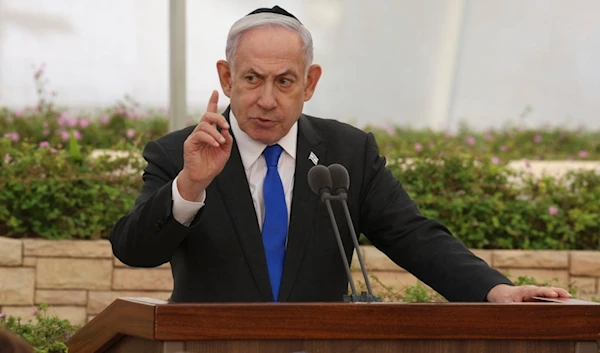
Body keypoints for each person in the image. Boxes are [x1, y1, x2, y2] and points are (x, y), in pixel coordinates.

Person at [110, 5, 571, 303]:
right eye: (252, 79)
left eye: (285, 81)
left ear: (309, 83)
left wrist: (495, 291)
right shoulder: (180, 153)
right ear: (226, 77)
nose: (267, 99)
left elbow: (414, 237)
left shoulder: (347, 153)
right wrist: (190, 185)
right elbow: (133, 250)